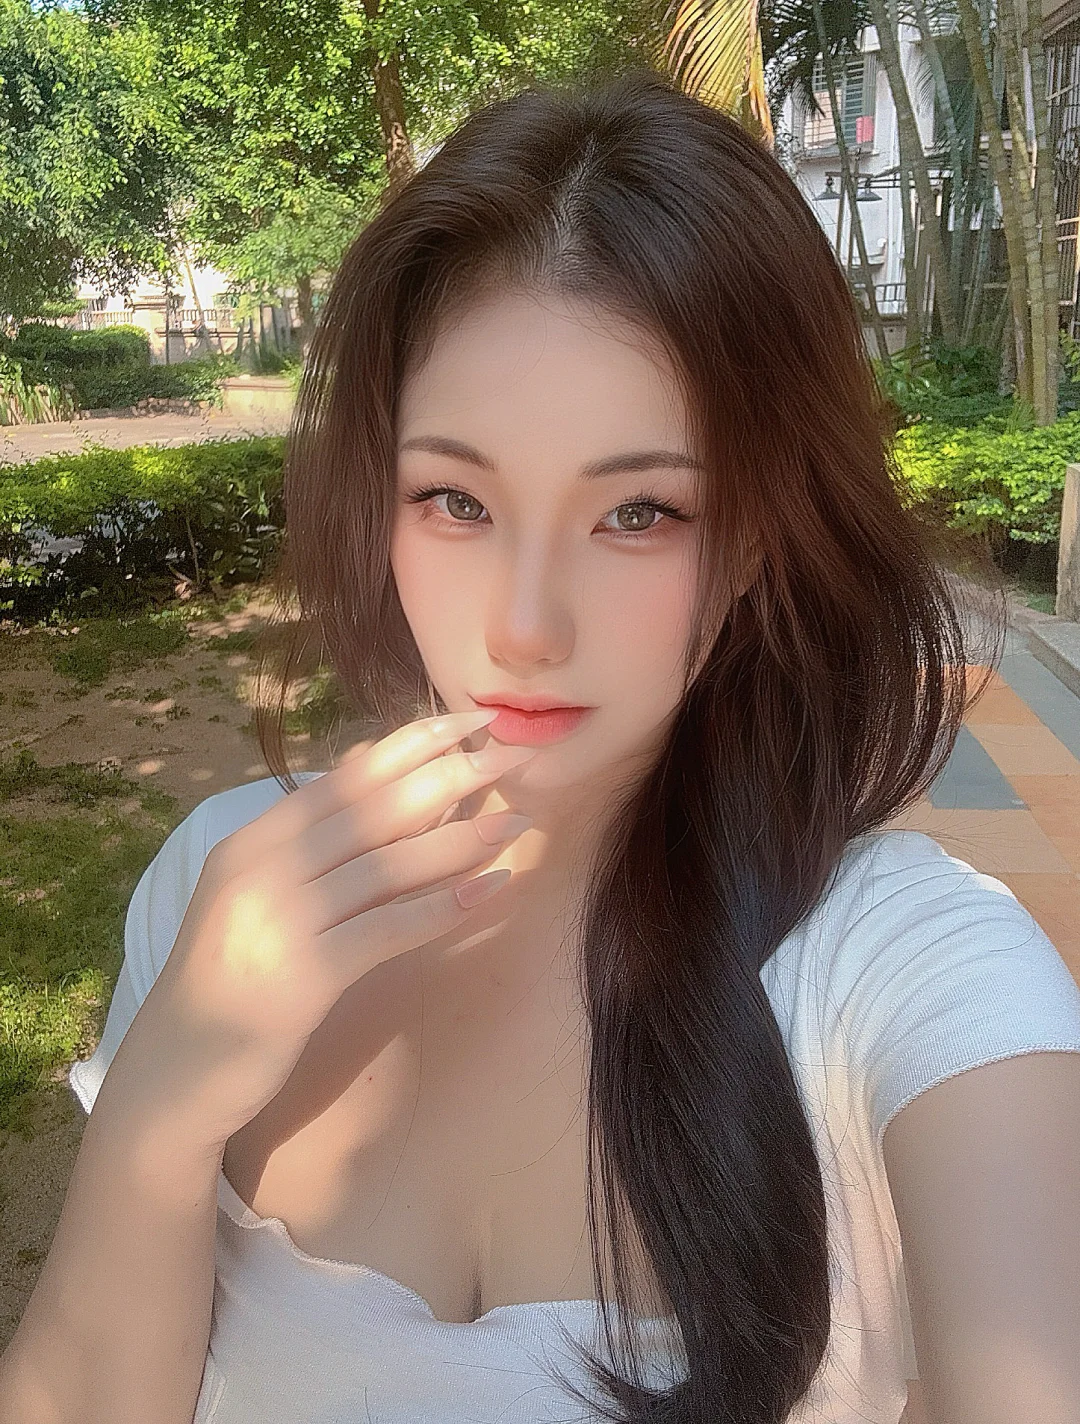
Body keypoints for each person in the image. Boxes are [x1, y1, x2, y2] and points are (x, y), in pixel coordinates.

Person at [3, 66, 1080, 1424]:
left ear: (761, 537)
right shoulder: (231, 887)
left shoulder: (911, 974)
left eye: (640, 514)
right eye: (455, 499)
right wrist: (160, 1106)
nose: (523, 627)